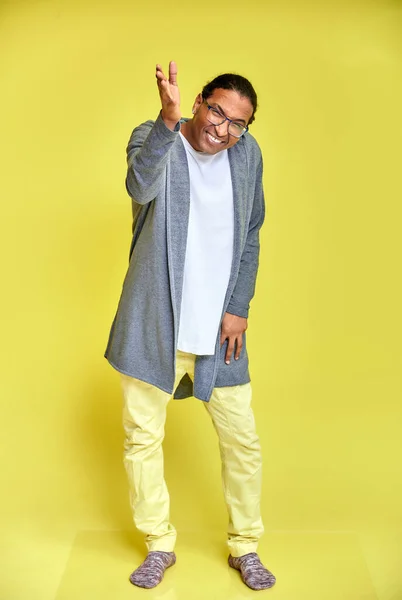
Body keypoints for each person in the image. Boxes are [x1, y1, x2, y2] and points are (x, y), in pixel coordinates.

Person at [105, 61, 276, 591]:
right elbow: (139, 184)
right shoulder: (155, 137)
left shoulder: (247, 157)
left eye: (236, 124)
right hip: (155, 320)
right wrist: (167, 120)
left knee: (242, 440)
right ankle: (159, 543)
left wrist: (239, 305)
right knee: (142, 438)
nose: (221, 130)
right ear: (200, 100)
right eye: (216, 112)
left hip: (219, 329)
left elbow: (251, 231)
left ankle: (244, 546)